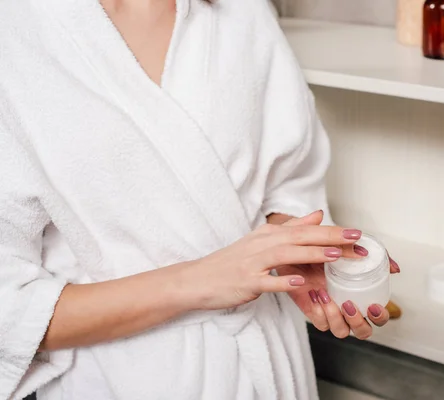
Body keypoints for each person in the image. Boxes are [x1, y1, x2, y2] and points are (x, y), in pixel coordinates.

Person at [0, 0, 400, 399]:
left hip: (270, 360)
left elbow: (290, 175)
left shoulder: (244, 11)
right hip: (124, 380)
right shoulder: (17, 33)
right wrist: (203, 280)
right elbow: (10, 312)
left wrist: (289, 244)